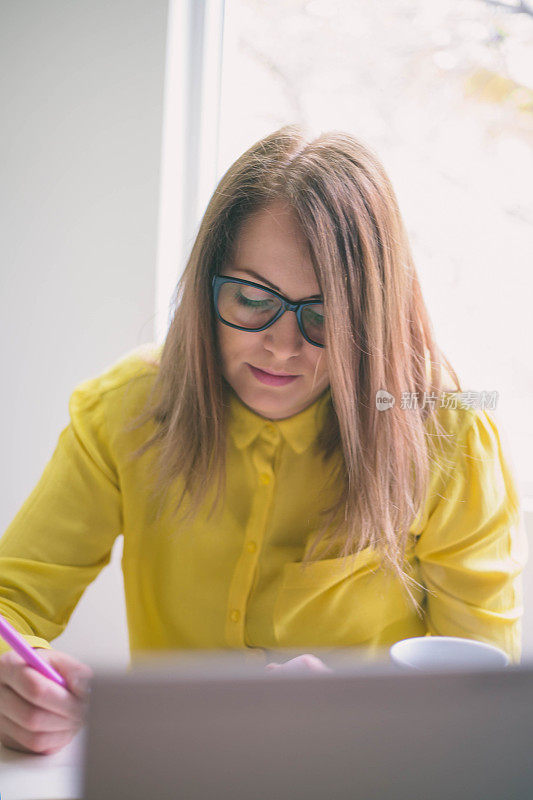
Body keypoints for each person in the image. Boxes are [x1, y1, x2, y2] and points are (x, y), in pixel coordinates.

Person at [0, 125, 527, 755]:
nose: (281, 345)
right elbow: (13, 604)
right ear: (205, 284)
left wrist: (359, 721)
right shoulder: (126, 408)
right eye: (252, 298)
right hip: (173, 776)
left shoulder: (447, 428)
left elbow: (482, 703)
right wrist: (19, 684)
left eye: (324, 314)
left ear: (374, 315)